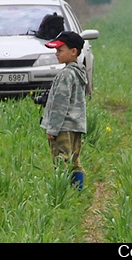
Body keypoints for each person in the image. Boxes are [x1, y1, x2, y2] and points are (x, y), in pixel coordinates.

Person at [40, 30, 88, 189]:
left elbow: (60, 104)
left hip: (62, 127)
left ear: (74, 52)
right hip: (76, 125)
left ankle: (61, 194)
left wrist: (52, 129)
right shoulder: (79, 73)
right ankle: (77, 194)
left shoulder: (66, 74)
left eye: (60, 50)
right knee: (75, 161)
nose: (56, 54)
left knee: (61, 160)